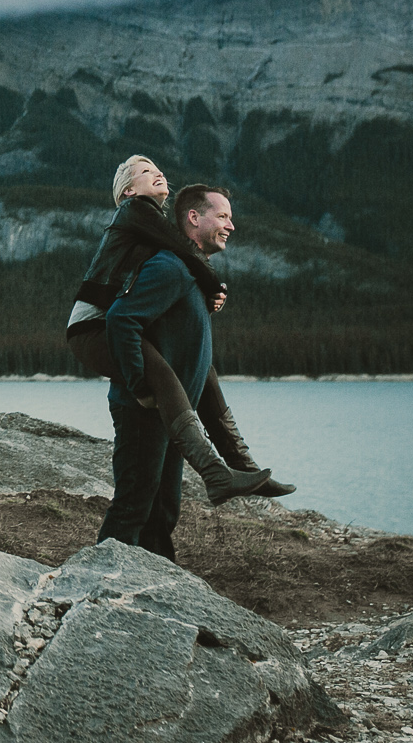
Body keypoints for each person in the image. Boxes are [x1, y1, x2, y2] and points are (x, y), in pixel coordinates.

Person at [66, 157, 291, 503]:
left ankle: (242, 466)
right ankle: (216, 474)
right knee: (164, 377)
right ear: (128, 191)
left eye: (158, 169)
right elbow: (181, 249)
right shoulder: (133, 210)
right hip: (91, 325)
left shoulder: (151, 225)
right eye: (144, 172)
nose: (156, 173)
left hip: (109, 320)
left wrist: (206, 293)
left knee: (205, 373)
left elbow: (170, 267)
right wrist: (214, 283)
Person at [94, 182, 250, 556]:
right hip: (145, 410)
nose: (231, 225)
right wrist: (140, 387)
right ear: (194, 218)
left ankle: (154, 590)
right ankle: (98, 586)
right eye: (223, 216)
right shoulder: (171, 267)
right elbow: (121, 320)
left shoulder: (191, 273)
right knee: (134, 507)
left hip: (169, 413)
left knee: (163, 512)